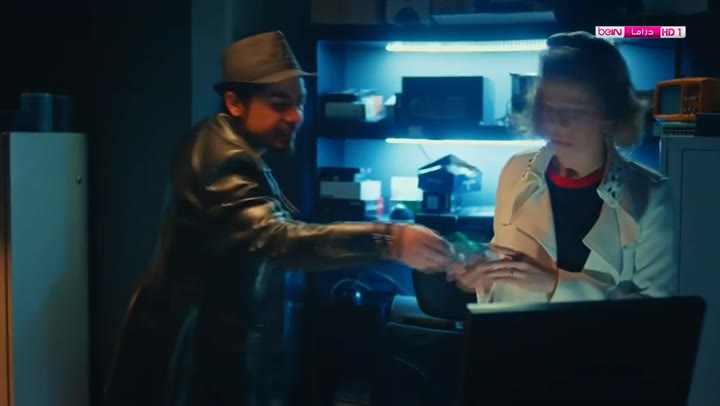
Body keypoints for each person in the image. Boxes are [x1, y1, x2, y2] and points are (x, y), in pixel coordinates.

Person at [103, 31, 453, 406]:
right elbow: (274, 239)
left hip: (211, 358)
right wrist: (391, 240)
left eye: (299, 102)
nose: (295, 116)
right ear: (234, 102)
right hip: (196, 367)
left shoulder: (231, 146)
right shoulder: (222, 159)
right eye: (279, 104)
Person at [451, 31, 677, 303]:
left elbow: (653, 314)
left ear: (609, 114)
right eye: (548, 106)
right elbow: (506, 265)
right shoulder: (516, 170)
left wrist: (555, 284)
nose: (558, 122)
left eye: (576, 110)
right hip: (514, 331)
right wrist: (481, 269)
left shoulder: (650, 196)